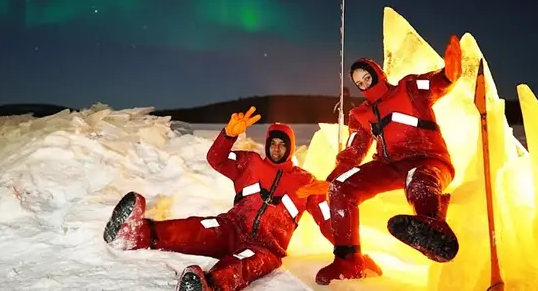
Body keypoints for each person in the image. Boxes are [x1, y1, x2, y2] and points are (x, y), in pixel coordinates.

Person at [103, 106, 380, 291]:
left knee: (242, 264)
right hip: (230, 227)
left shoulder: (305, 181)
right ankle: (134, 234)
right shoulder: (249, 163)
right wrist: (228, 135)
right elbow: (216, 159)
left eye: (283, 145)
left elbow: (330, 224)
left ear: (290, 148)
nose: (277, 148)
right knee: (194, 228)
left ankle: (207, 285)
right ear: (268, 144)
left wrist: (350, 253)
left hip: (266, 249)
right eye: (273, 143)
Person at [296, 34, 463, 285]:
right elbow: (354, 151)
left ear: (378, 74)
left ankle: (432, 227)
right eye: (359, 83)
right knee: (341, 189)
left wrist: (450, 72)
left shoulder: (409, 89)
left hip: (428, 159)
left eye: (367, 77)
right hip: (388, 164)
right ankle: (349, 261)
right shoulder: (361, 115)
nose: (364, 84)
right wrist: (330, 181)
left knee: (418, 179)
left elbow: (438, 82)